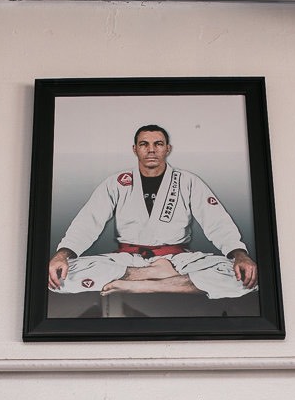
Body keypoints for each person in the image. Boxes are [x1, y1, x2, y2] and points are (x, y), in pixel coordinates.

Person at [47, 125, 258, 299]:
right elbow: (87, 222)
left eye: (158, 144)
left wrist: (240, 255)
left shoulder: (188, 181)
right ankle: (155, 278)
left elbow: (217, 222)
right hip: (127, 260)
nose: (151, 150)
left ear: (168, 148)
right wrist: (62, 255)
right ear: (135, 149)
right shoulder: (116, 183)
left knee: (245, 277)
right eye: (144, 144)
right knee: (59, 277)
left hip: (177, 259)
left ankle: (138, 284)